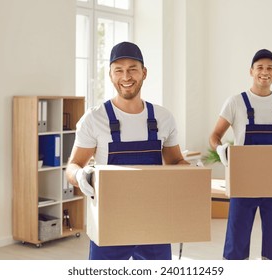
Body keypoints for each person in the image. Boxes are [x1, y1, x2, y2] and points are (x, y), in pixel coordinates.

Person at [66, 41, 189, 260]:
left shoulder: (163, 118)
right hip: (110, 221)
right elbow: (72, 166)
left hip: (155, 222)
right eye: (119, 70)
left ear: (144, 73)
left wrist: (190, 173)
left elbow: (175, 161)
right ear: (111, 75)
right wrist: (80, 175)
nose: (126, 76)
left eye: (132, 69)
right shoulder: (94, 119)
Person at [209, 49, 272, 260]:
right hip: (243, 181)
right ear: (251, 71)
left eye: (270, 68)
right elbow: (215, 135)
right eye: (260, 67)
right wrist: (221, 149)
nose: (265, 72)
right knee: (236, 242)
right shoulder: (235, 102)